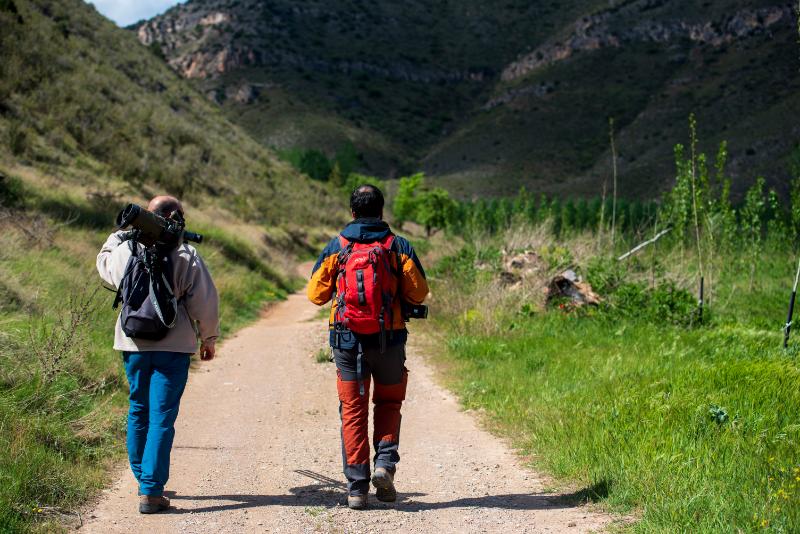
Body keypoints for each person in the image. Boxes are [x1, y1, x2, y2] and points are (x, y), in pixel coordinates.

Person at [307, 184, 429, 510]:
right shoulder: (397, 245)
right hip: (390, 339)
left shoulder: (338, 246)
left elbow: (315, 295)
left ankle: (356, 489)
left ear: (352, 212)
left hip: (347, 341)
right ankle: (385, 465)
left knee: (353, 411)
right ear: (382, 211)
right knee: (388, 403)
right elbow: (419, 293)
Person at [96, 195, 219, 514]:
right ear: (177, 218)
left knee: (139, 408)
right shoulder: (186, 252)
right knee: (162, 416)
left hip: (132, 343)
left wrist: (118, 234)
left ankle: (144, 478)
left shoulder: (126, 249)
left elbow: (105, 268)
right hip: (174, 344)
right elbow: (204, 301)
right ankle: (150, 490)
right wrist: (209, 338)